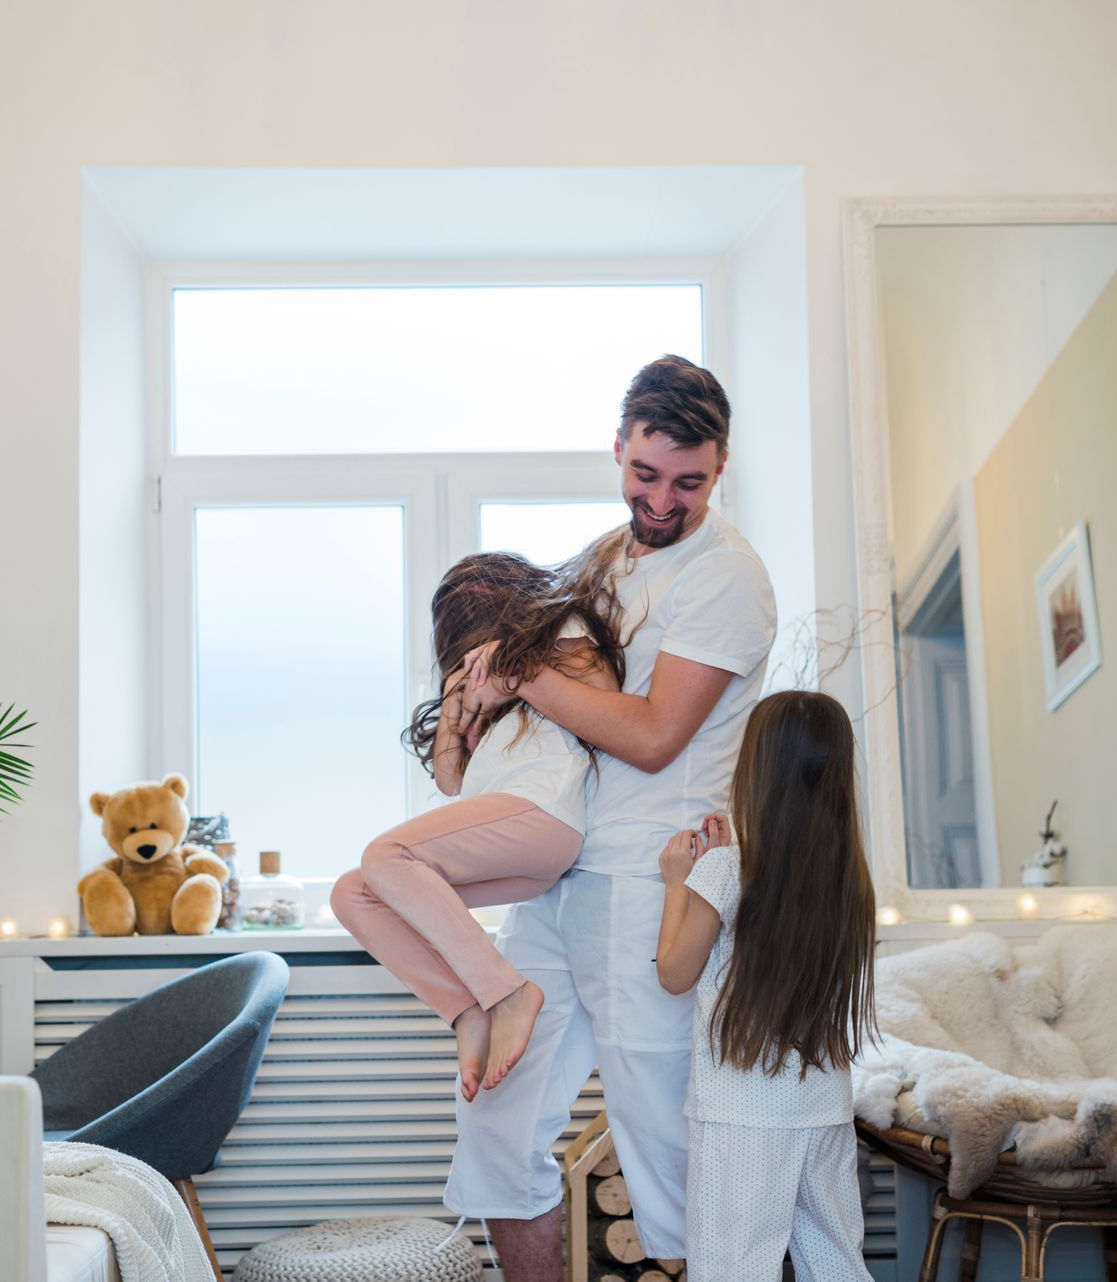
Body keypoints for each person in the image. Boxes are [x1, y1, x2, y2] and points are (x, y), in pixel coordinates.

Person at [442, 355, 778, 1278]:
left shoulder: (727, 578)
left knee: (665, 1140)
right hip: (558, 876)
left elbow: (656, 735)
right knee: (496, 1124)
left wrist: (525, 676)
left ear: (720, 469)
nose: (664, 499)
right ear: (618, 448)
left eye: (690, 481)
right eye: (645, 473)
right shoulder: (603, 556)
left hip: (653, 885)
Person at [331, 551, 627, 1102]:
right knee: (355, 892)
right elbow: (450, 781)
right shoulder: (479, 685)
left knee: (387, 854)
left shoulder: (562, 631)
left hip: (544, 817)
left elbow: (605, 695)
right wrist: (453, 700)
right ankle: (467, 1009)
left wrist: (516, 666)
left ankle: (507, 993)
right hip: (519, 843)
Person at [655, 690, 877, 1281]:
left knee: (732, 1268)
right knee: (835, 1261)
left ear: (757, 770)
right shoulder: (849, 881)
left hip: (740, 1113)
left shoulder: (727, 869)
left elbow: (675, 973)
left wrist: (679, 881)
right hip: (823, 1106)